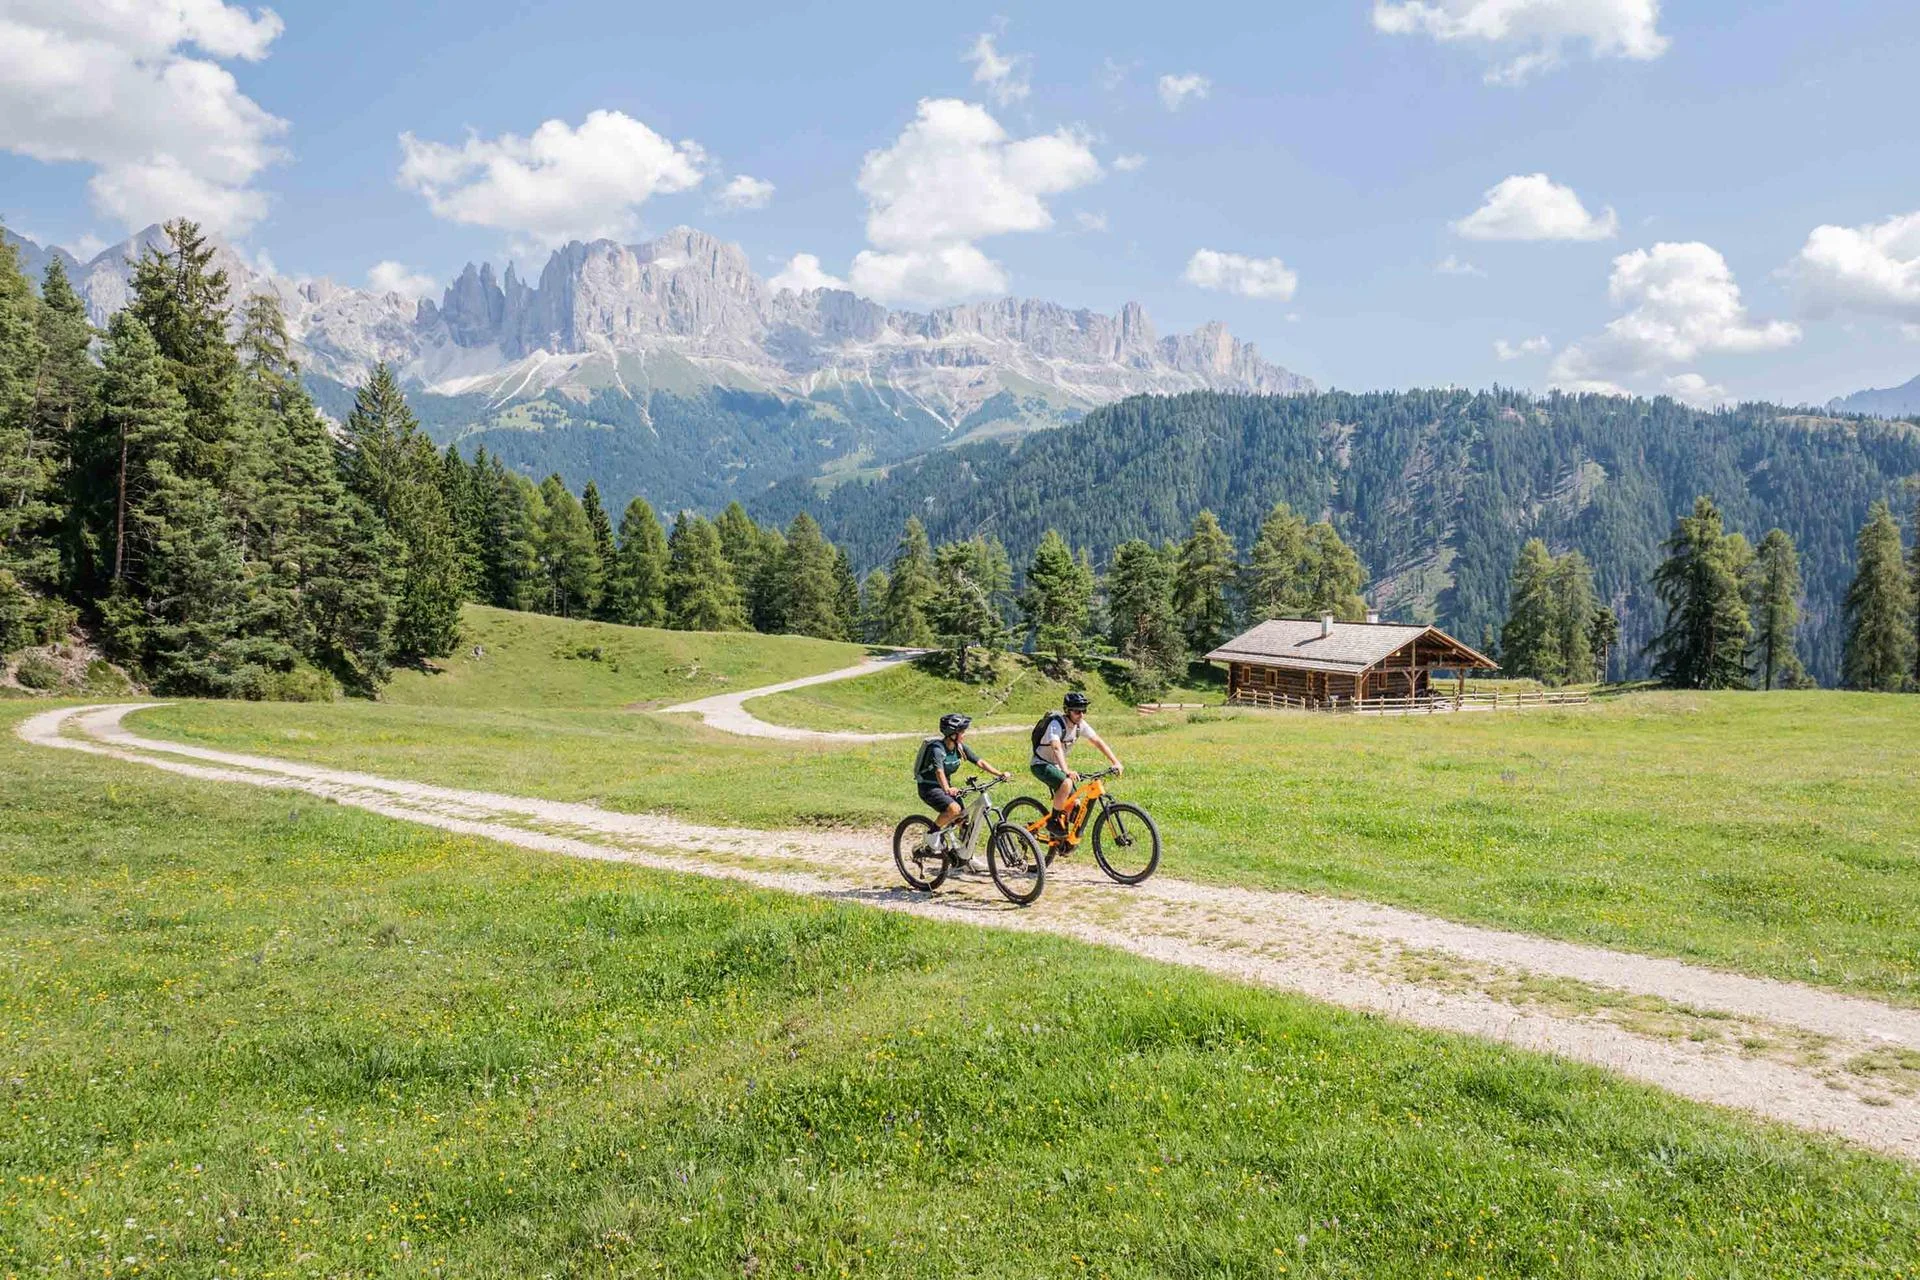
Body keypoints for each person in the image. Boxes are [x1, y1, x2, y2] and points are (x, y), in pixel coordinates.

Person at [915, 713, 1011, 870]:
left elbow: (979, 762)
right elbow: (939, 771)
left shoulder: (959, 748)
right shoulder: (937, 749)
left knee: (964, 821)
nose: (964, 735)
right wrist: (947, 789)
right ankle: (932, 833)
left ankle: (967, 857)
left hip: (946, 787)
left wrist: (999, 773)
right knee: (954, 810)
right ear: (952, 734)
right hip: (929, 787)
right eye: (962, 732)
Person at [1030, 691, 1122, 840]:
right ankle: (1053, 821)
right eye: (1077, 711)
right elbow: (1056, 747)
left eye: (1084, 710)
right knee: (1066, 782)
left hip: (1056, 766)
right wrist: (1066, 770)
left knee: (1075, 805)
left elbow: (1097, 741)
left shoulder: (1080, 725)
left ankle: (1060, 839)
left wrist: (1115, 762)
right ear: (1068, 711)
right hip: (1041, 764)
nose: (1081, 714)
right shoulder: (1056, 724)